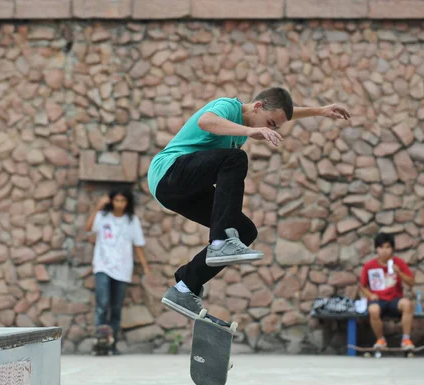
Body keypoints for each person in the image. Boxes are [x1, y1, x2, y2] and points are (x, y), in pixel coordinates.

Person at [146, 87, 351, 320]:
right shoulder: (228, 106)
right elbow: (206, 121)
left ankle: (185, 287)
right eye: (270, 123)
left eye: (275, 127)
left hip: (182, 192)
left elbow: (285, 112)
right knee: (235, 160)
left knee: (244, 231)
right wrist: (250, 130)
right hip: (168, 173)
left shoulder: (250, 123)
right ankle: (220, 241)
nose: (270, 130)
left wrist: (321, 111)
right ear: (257, 107)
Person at [84, 187, 151, 354]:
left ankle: (111, 344)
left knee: (116, 308)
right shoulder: (103, 216)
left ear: (127, 203)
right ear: (111, 201)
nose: (119, 204)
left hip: (123, 269)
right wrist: (98, 207)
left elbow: (138, 246)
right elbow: (88, 228)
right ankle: (100, 341)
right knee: (102, 303)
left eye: (123, 201)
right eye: (116, 200)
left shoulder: (132, 221)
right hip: (103, 266)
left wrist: (146, 268)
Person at [359, 232, 416, 350]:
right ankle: (381, 340)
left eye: (387, 247)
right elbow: (362, 286)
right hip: (378, 300)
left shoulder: (399, 263)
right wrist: (370, 294)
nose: (384, 251)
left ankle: (406, 339)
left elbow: (411, 282)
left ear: (392, 249)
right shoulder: (369, 266)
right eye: (381, 247)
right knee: (373, 309)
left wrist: (399, 273)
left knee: (407, 304)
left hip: (395, 299)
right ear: (376, 249)